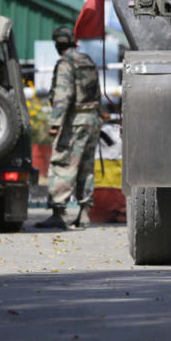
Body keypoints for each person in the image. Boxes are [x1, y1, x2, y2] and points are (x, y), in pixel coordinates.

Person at [35, 26, 102, 230]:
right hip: (92, 119)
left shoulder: (66, 63)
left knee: (63, 164)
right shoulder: (87, 61)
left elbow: (63, 97)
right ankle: (84, 214)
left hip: (74, 121)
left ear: (58, 44)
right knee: (86, 166)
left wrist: (55, 123)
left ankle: (58, 212)